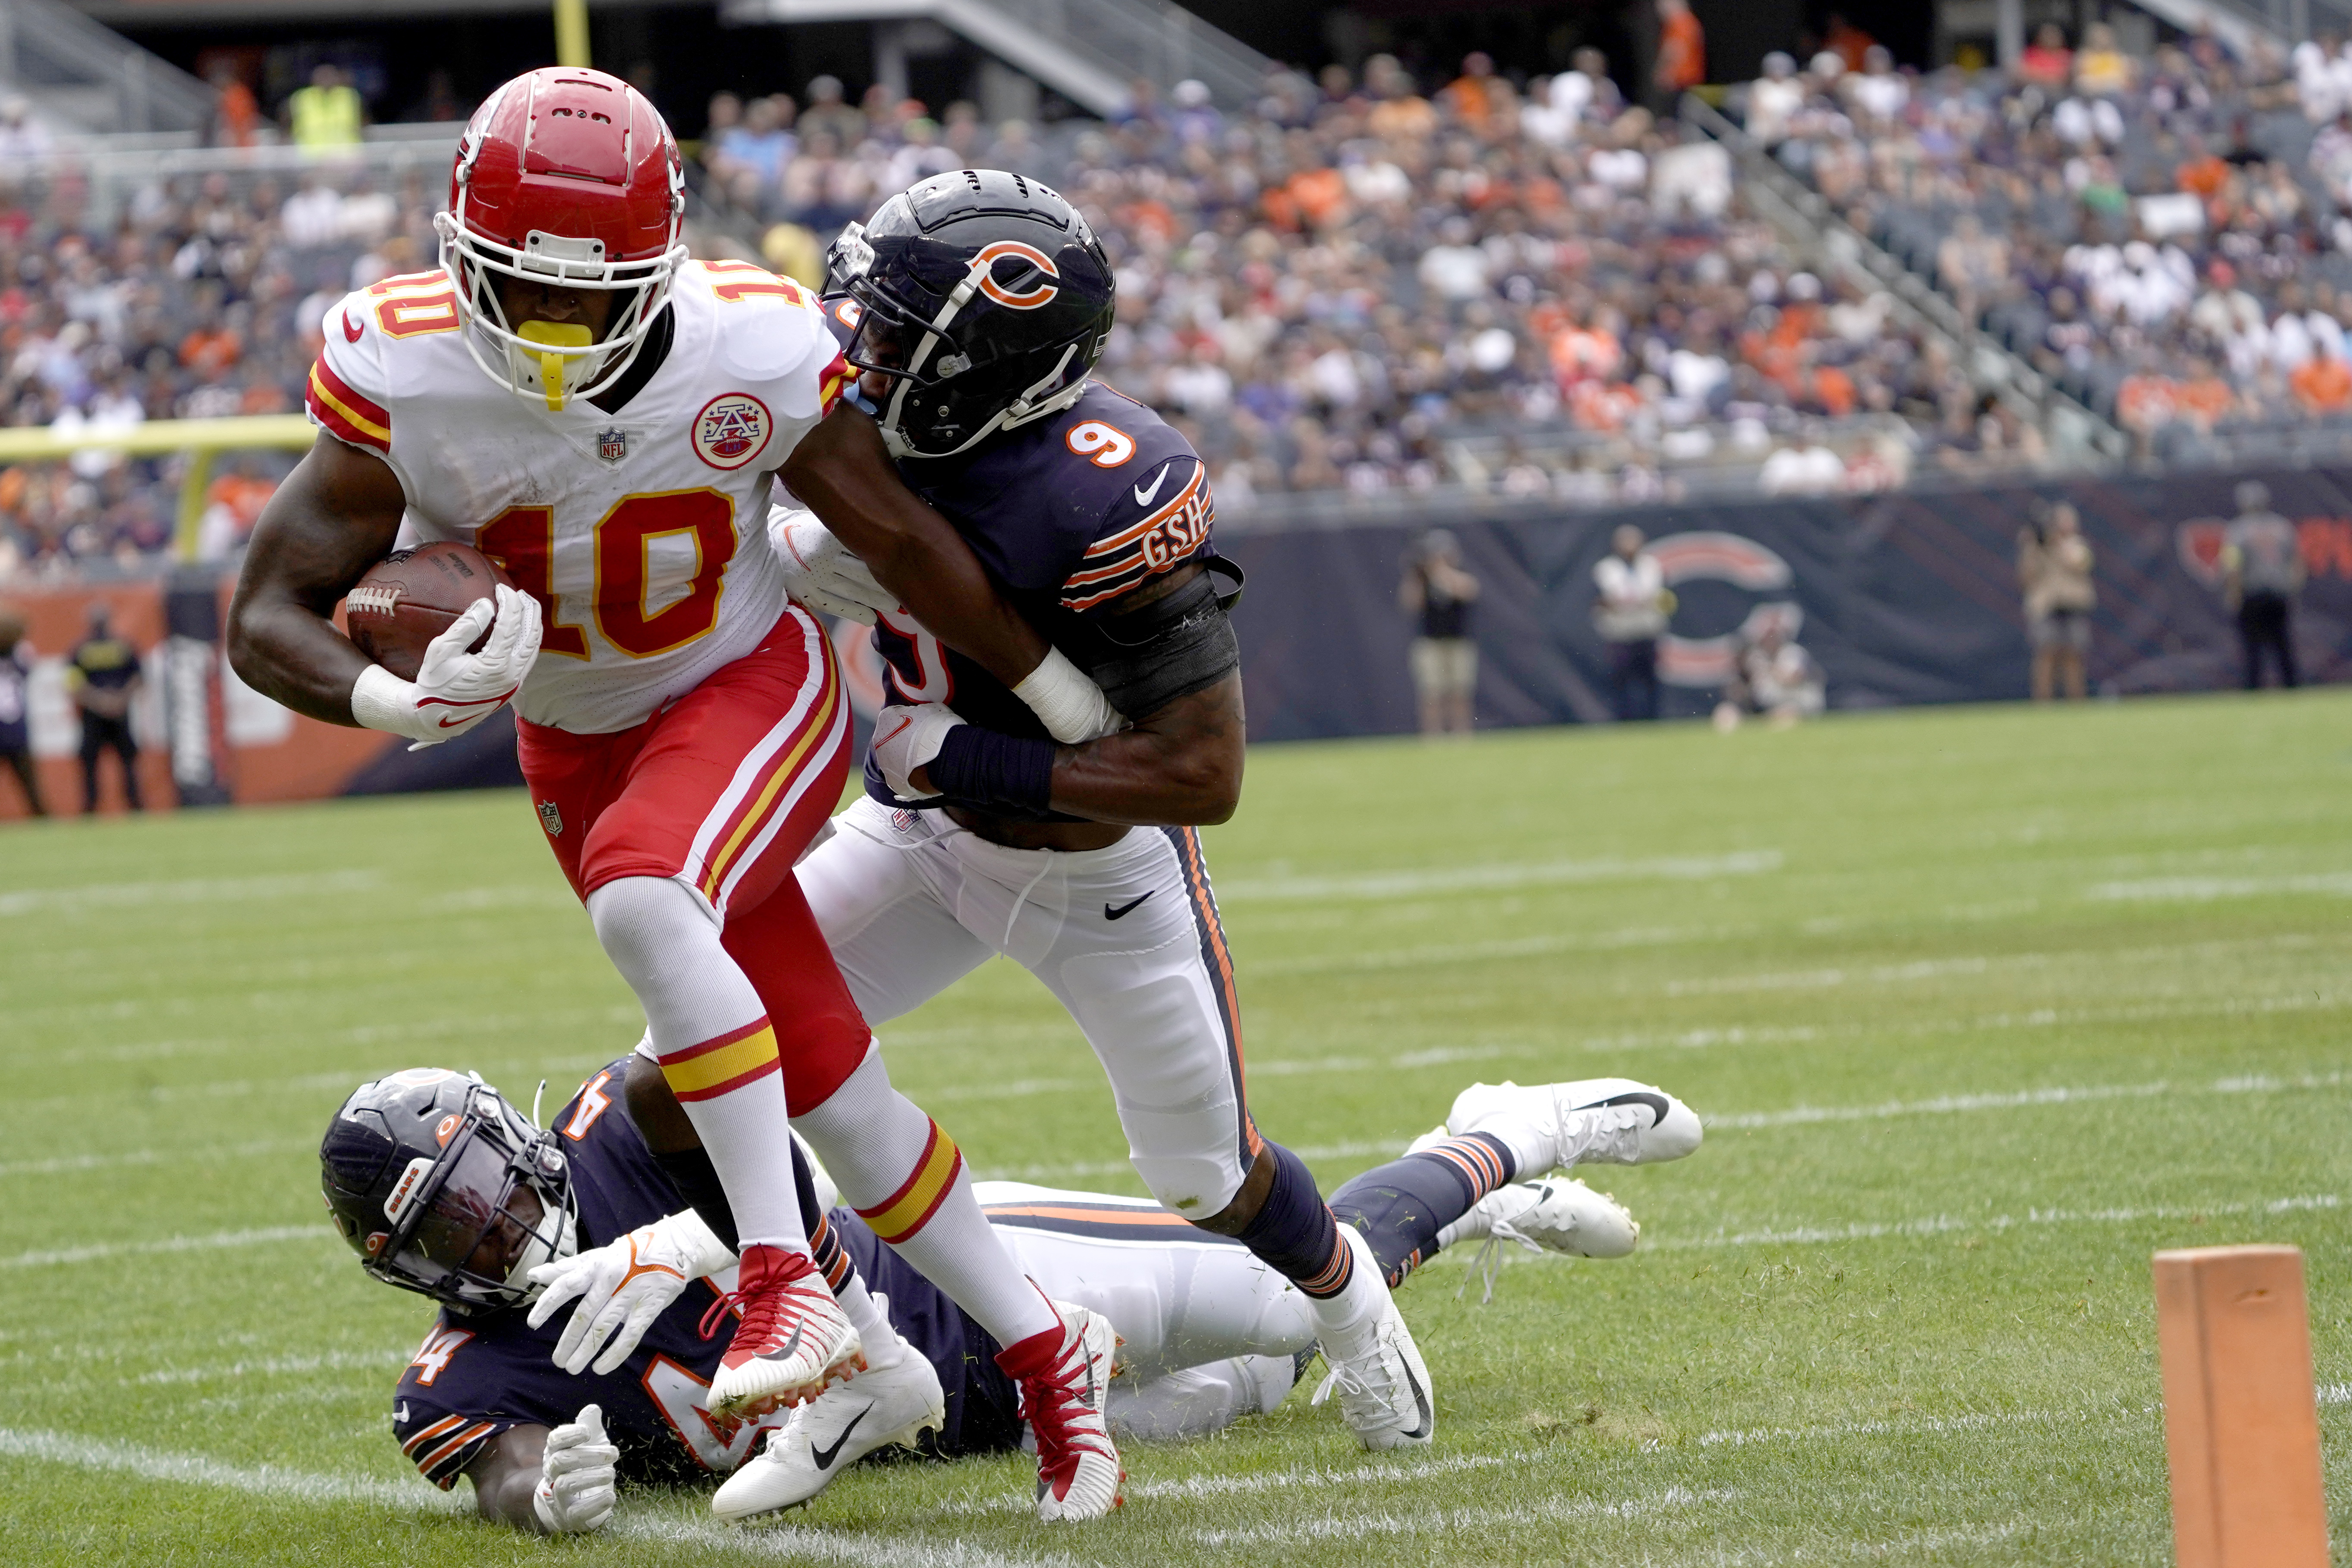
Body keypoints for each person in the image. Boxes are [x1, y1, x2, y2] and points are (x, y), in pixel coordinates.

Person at [227, 69, 1137, 1523]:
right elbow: (267, 610)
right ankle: (1039, 1359)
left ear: (660, 272)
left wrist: (1045, 679)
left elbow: (892, 532)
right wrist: (388, 700)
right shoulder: (396, 365)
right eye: (518, 294)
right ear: (457, 254)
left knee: (650, 900)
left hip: (740, 683)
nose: (550, 335)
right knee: (835, 1084)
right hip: (572, 742)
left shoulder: (751, 343)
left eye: (589, 303)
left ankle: (787, 1285)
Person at [746, 168, 1582, 1454]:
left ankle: (1351, 1302)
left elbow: (1203, 775)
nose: (856, 344)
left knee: (1201, 1172)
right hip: (918, 844)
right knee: (714, 1036)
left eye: (895, 329)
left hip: (1096, 876)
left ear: (989, 363)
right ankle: (831, 1326)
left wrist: (965, 758)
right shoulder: (841, 421)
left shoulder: (1093, 487)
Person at [320, 1058, 1699, 1531]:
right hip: (990, 1425)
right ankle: (1478, 1204)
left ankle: (1500, 1134)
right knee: (1270, 1383)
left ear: (516, 1133)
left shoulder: (624, 1127)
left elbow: (719, 1079)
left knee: (1297, 1301)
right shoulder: (462, 1377)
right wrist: (544, 1502)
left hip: (973, 1282)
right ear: (412, 1269)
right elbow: (495, 1467)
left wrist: (700, 1235)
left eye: (490, 1182)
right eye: (456, 1227)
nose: (499, 1225)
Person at [1398, 529, 1480, 736]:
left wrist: (1442, 572)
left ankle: (1461, 733)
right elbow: (1410, 604)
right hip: (1431, 642)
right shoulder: (1422, 579)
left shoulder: (1459, 573)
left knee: (1459, 690)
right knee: (1431, 691)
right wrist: (1416, 574)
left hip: (1458, 641)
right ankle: (1433, 735)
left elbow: (1470, 591)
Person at [2222, 480, 2303, 689]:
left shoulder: (2238, 531)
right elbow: (2297, 563)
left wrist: (2234, 594)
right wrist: (2292, 591)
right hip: (2278, 594)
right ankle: (2292, 687)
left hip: (2252, 595)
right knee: (2283, 645)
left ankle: (2254, 689)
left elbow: (2234, 567)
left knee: (2252, 648)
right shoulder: (2283, 527)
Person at [67, 602, 141, 813]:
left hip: (94, 714)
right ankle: (134, 806)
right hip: (116, 712)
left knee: (95, 764)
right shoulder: (122, 645)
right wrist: (118, 700)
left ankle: (92, 808)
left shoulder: (81, 649)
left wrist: (99, 701)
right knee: (125, 762)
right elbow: (137, 677)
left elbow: (72, 682)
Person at [1592, 525, 1671, 721]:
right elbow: (1611, 599)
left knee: (1650, 679)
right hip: (1620, 634)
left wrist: (1628, 602)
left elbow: (1650, 596)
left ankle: (1653, 720)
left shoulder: (1650, 565)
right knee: (1621, 680)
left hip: (1647, 631)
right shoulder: (1607, 568)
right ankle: (1623, 721)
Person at [2018, 501, 2095, 701]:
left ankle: (2077, 701)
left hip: (2073, 605)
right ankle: (2043, 703)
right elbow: (2026, 577)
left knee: (2073, 655)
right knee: (2046, 654)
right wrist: (2034, 546)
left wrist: (2059, 544)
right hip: (2046, 606)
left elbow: (2080, 564)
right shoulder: (2037, 548)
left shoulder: (2077, 544)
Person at [0, 611, 41, 816]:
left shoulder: (17, 659)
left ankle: (42, 817)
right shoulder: (18, 661)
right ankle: (43, 822)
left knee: (32, 788)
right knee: (32, 790)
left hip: (11, 732)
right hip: (16, 732)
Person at [287, 64, 364, 152]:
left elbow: (363, 123)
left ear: (338, 78)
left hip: (346, 154)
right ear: (313, 79)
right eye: (322, 76)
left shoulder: (350, 96)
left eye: (329, 76)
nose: (326, 80)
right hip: (309, 155)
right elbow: (286, 125)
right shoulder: (302, 97)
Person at [1654, 0, 1708, 105]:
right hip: (1691, 80)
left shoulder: (1680, 23)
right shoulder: (1691, 22)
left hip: (1680, 80)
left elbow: (1674, 51)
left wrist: (1666, 73)